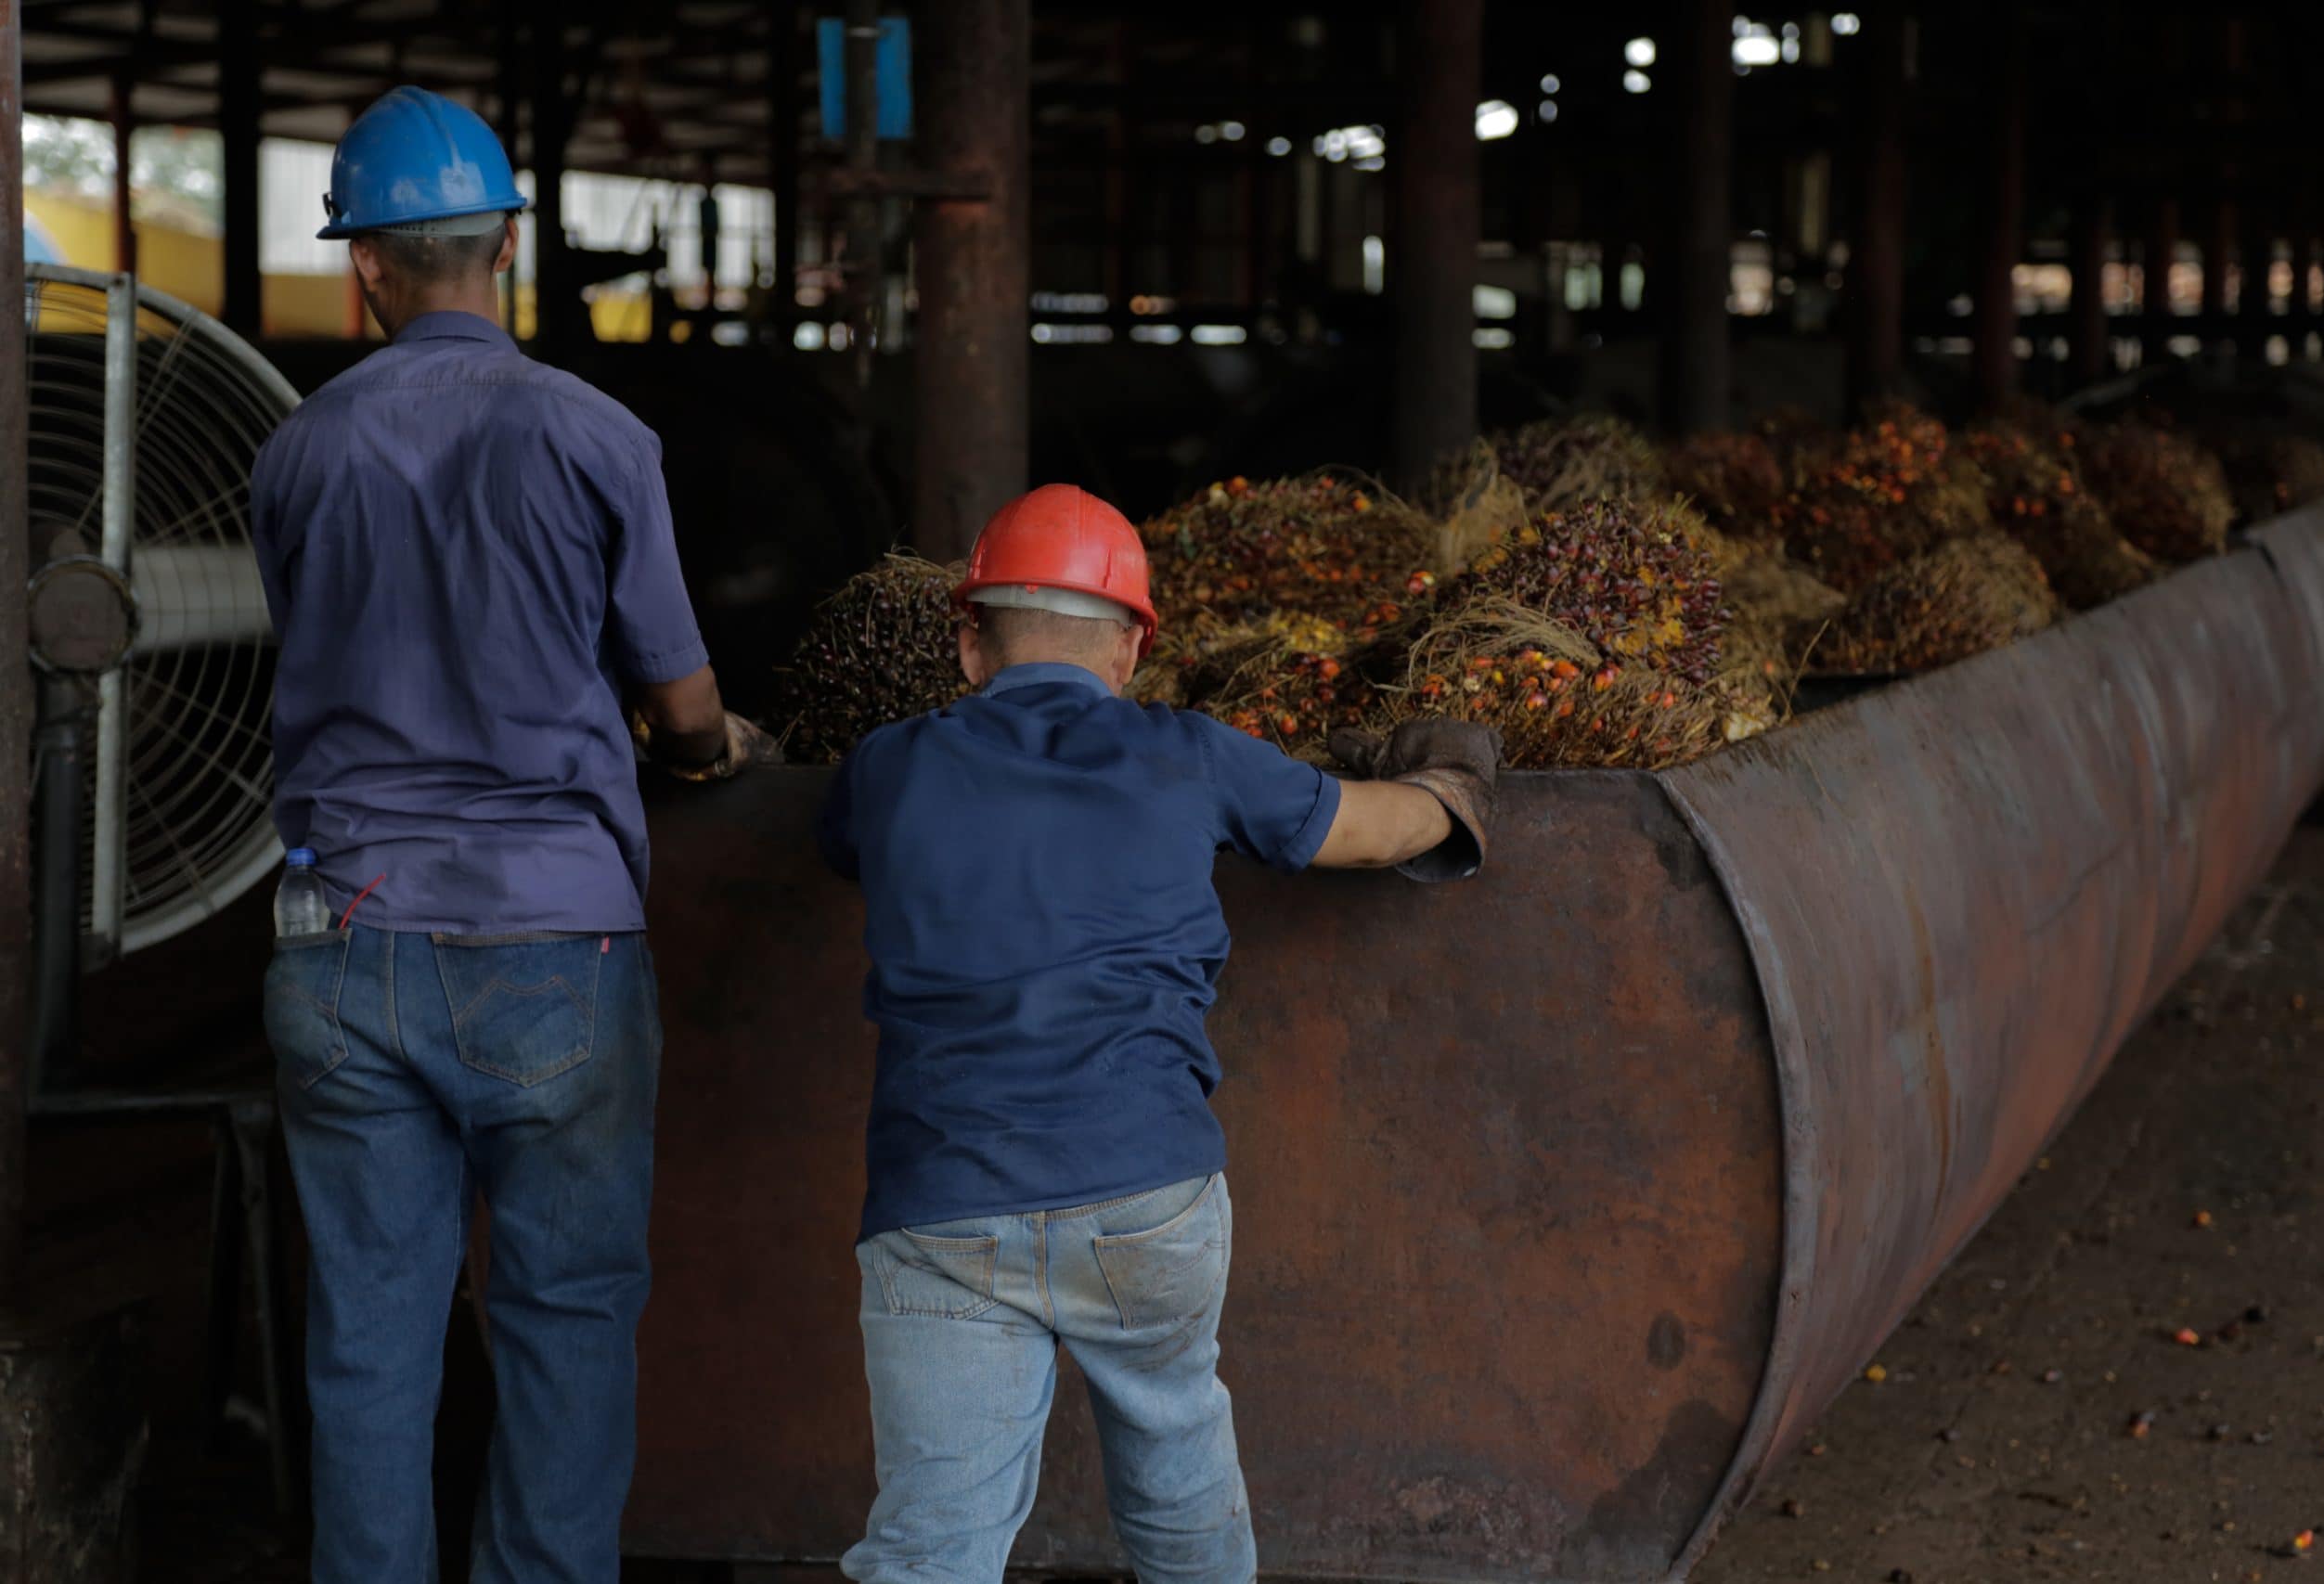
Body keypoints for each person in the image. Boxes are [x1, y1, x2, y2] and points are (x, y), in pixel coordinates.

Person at [250, 85, 770, 1583]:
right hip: (554, 941)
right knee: (564, 1319)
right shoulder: (597, 435)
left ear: (365, 264)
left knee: (369, 1336)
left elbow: (315, 645)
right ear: (509, 250)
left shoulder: (299, 450)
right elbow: (682, 697)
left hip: (343, 937)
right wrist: (702, 750)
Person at [820, 483, 1499, 1581]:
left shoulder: (887, 766)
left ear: (969, 644)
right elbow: (1378, 834)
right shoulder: (1192, 754)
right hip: (1144, 1193)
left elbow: (845, 840)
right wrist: (1449, 783)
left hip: (942, 1203)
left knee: (930, 1544)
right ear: (1132, 649)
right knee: (1178, 1481)